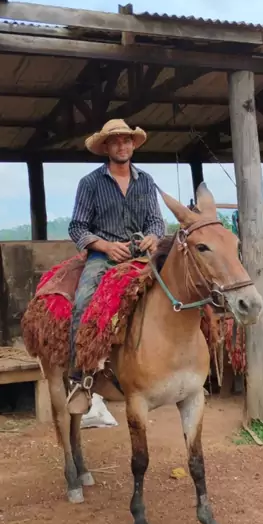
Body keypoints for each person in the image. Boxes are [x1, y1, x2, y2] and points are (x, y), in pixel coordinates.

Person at [66, 118, 166, 413]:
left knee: (177, 290)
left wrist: (153, 237)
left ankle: (181, 364)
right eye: (115, 141)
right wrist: (106, 246)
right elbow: (77, 227)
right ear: (106, 147)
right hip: (104, 256)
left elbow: (156, 221)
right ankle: (79, 377)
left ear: (133, 145)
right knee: (83, 301)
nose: (122, 146)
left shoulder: (146, 180)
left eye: (126, 140)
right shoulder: (90, 183)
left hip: (140, 254)